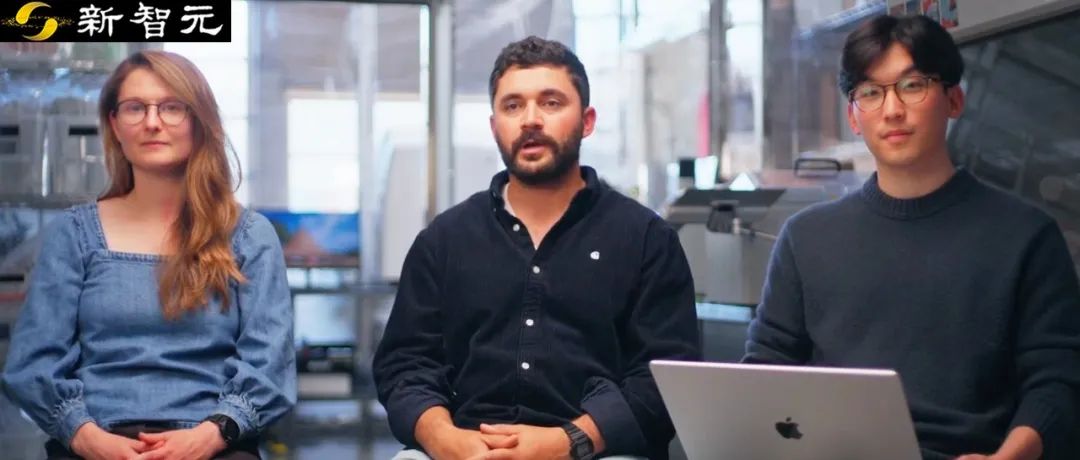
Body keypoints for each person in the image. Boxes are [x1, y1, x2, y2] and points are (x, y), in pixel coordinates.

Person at [742, 14, 1080, 460]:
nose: (892, 110)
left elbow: (1057, 381)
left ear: (954, 99)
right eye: (871, 92)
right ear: (854, 116)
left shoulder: (1027, 236)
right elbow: (765, 373)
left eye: (912, 85)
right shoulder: (805, 238)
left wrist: (1009, 457)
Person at [373, 36, 700, 460]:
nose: (530, 120)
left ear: (587, 121)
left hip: (600, 451)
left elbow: (663, 378)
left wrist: (568, 441)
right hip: (466, 445)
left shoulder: (646, 239)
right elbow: (405, 364)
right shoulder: (444, 240)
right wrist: (446, 440)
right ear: (495, 126)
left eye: (551, 103)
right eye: (513, 106)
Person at [2, 50, 296, 460]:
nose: (152, 122)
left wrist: (210, 435)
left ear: (198, 122)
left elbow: (269, 364)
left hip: (214, 445)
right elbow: (34, 364)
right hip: (95, 443)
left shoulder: (248, 236)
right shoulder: (73, 234)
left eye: (171, 107)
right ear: (114, 124)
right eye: (135, 108)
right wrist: (88, 439)